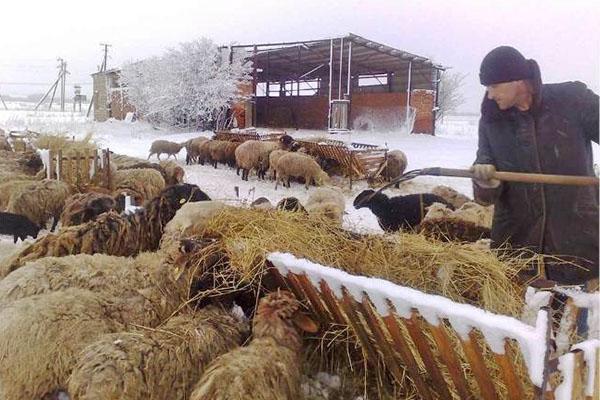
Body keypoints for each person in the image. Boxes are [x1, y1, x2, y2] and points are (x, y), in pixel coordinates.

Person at [470, 45, 599, 286]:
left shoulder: (572, 100)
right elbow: (485, 172)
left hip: (577, 241)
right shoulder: (491, 121)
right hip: (517, 244)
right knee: (520, 318)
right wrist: (484, 180)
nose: (490, 95)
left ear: (517, 79)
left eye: (494, 86)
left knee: (576, 316)